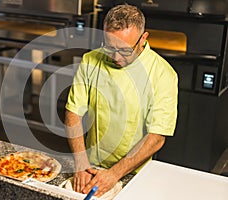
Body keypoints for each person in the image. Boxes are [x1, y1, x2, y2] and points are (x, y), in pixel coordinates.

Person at [64, 3, 178, 197]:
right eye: (110, 47)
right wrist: (81, 163)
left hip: (134, 173)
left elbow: (156, 137)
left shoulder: (163, 74)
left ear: (143, 39)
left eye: (125, 50)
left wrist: (114, 174)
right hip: (91, 166)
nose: (116, 57)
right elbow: (73, 114)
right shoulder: (90, 60)